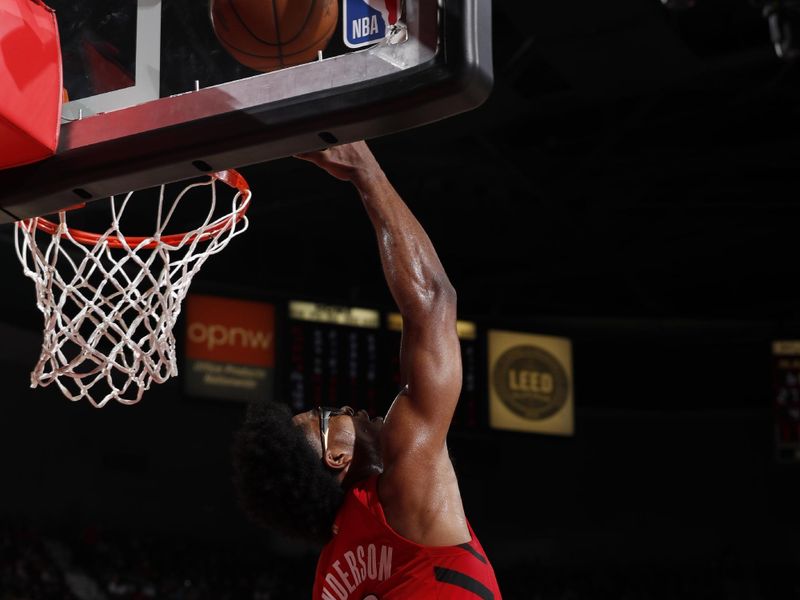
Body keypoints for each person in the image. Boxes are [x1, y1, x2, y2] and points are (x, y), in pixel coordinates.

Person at [231, 140, 502, 599]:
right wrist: (365, 172)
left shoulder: (329, 577)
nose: (351, 410)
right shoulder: (403, 485)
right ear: (335, 458)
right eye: (331, 414)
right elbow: (435, 303)